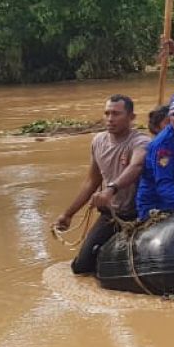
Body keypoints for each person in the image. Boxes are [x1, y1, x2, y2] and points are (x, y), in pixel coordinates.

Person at [54, 95, 150, 274]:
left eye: (116, 114)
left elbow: (136, 166)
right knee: (81, 268)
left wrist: (110, 190)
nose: (110, 119)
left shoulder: (141, 142)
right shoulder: (98, 141)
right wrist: (68, 214)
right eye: (107, 113)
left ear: (131, 117)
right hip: (111, 215)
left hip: (139, 215)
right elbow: (92, 180)